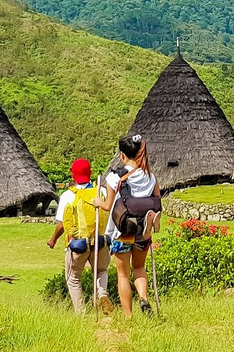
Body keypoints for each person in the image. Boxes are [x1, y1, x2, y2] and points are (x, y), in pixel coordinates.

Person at [92, 134, 161, 318]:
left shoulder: (115, 177)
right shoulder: (150, 176)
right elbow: (157, 200)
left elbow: (108, 206)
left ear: (122, 155)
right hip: (143, 232)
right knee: (139, 268)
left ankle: (129, 316)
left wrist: (98, 202)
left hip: (122, 232)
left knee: (123, 275)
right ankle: (143, 297)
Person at [47, 158, 114, 314]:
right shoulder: (101, 191)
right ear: (90, 172)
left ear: (72, 175)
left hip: (79, 245)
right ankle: (102, 294)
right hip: (100, 242)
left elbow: (62, 224)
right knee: (101, 270)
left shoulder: (68, 195)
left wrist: (53, 239)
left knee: (73, 278)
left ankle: (81, 312)